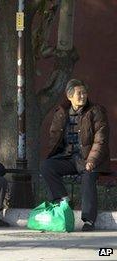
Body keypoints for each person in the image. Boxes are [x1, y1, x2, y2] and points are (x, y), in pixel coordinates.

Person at [40, 79, 110, 232]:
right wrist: (52, 155)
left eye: (85, 92)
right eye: (79, 93)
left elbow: (101, 140)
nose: (83, 96)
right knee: (47, 166)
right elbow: (54, 136)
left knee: (88, 174)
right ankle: (64, 200)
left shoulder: (96, 111)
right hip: (67, 157)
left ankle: (89, 220)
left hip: (87, 158)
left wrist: (91, 160)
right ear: (69, 96)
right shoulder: (61, 112)